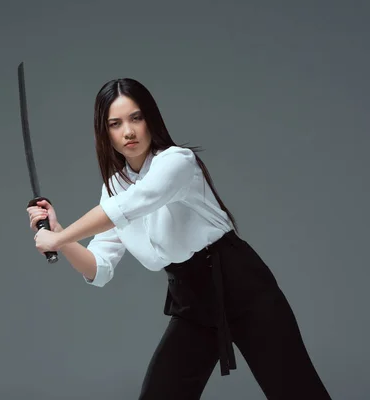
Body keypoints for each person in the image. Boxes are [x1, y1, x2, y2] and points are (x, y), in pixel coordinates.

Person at [25, 78, 331, 399]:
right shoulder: (114, 189)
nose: (128, 131)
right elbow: (98, 268)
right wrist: (60, 234)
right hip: (193, 302)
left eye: (136, 118)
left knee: (297, 391)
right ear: (105, 133)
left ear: (150, 120)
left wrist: (58, 240)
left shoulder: (176, 162)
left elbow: (128, 207)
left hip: (244, 288)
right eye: (115, 124)